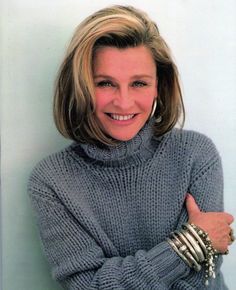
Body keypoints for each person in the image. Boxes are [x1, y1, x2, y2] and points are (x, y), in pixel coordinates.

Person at [28, 5, 234, 290]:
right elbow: (89, 287)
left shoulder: (195, 155)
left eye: (138, 83)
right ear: (80, 86)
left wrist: (119, 277)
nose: (124, 103)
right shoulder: (52, 181)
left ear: (159, 86)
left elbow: (199, 281)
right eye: (105, 83)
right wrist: (189, 243)